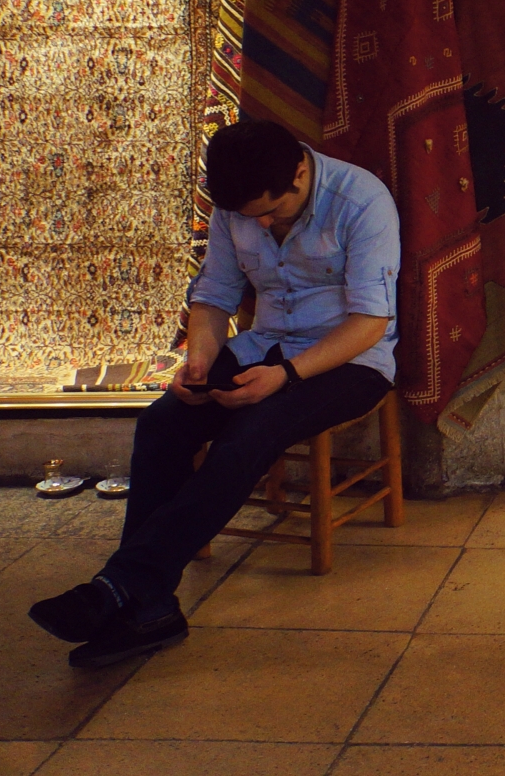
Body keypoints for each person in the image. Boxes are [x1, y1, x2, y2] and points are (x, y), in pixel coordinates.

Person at [29, 119, 401, 668]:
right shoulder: (235, 205)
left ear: (300, 172)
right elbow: (215, 294)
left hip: (350, 360)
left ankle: (123, 587)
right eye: (252, 217)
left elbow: (370, 321)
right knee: (162, 423)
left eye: (272, 212)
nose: (263, 224)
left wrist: (287, 375)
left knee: (250, 433)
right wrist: (199, 360)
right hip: (264, 346)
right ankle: (147, 604)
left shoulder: (362, 201)